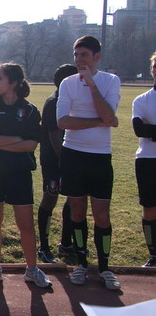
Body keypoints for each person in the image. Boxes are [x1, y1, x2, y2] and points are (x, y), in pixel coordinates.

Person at [0, 63, 51, 288]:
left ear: (14, 83)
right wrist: (16, 138)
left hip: (19, 173)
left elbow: (30, 145)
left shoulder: (29, 110)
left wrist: (2, 141)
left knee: (25, 224)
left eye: (0, 78)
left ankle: (32, 269)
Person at [57, 35, 121, 290]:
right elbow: (63, 122)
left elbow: (109, 114)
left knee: (102, 215)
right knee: (77, 212)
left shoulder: (111, 81)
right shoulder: (67, 83)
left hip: (100, 157)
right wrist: (101, 122)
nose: (78, 60)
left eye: (83, 55)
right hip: (73, 154)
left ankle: (104, 267)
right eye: (75, 55)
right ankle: (81, 264)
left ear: (96, 57)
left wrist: (92, 85)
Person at [37, 64, 78, 263]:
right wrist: (67, 160)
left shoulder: (71, 100)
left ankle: (66, 243)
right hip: (54, 161)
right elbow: (55, 137)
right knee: (50, 197)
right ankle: (44, 247)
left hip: (69, 160)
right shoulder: (54, 102)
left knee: (72, 198)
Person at [132, 51, 156, 267]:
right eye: (155, 65)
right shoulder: (142, 100)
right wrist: (147, 129)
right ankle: (153, 254)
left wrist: (152, 129)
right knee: (149, 208)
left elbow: (147, 129)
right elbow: (139, 129)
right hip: (147, 159)